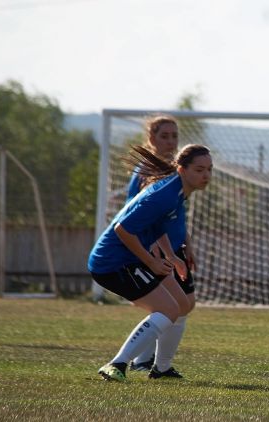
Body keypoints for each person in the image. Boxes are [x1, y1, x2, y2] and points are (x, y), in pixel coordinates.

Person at [89, 143, 212, 382]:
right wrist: (152, 262)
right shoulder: (164, 195)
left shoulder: (177, 191)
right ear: (181, 169)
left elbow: (158, 226)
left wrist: (172, 256)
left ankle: (162, 369)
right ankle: (117, 364)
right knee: (168, 309)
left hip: (134, 257)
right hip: (113, 262)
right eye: (199, 169)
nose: (206, 175)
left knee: (184, 304)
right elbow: (122, 229)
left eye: (209, 169)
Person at [125, 115, 199, 377]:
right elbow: (136, 213)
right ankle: (144, 361)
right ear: (151, 138)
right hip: (157, 247)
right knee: (174, 305)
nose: (170, 141)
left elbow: (175, 214)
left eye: (174, 136)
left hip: (174, 245)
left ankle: (149, 361)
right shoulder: (146, 170)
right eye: (164, 136)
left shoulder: (174, 170)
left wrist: (186, 243)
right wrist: (154, 249)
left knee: (184, 304)